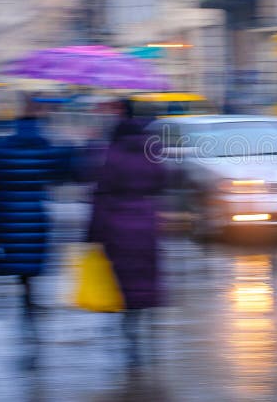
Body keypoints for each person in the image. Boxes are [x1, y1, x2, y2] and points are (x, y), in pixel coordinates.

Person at [0, 95, 70, 358]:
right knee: (28, 279)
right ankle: (30, 331)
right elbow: (63, 173)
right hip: (35, 219)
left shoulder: (1, 148)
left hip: (7, 216)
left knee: (6, 265)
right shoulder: (46, 146)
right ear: (39, 117)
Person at [88, 104, 166, 367]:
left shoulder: (110, 152)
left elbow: (100, 194)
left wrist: (93, 234)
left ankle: (128, 331)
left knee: (123, 280)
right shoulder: (151, 149)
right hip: (147, 221)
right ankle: (143, 330)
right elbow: (162, 180)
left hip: (117, 224)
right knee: (145, 278)